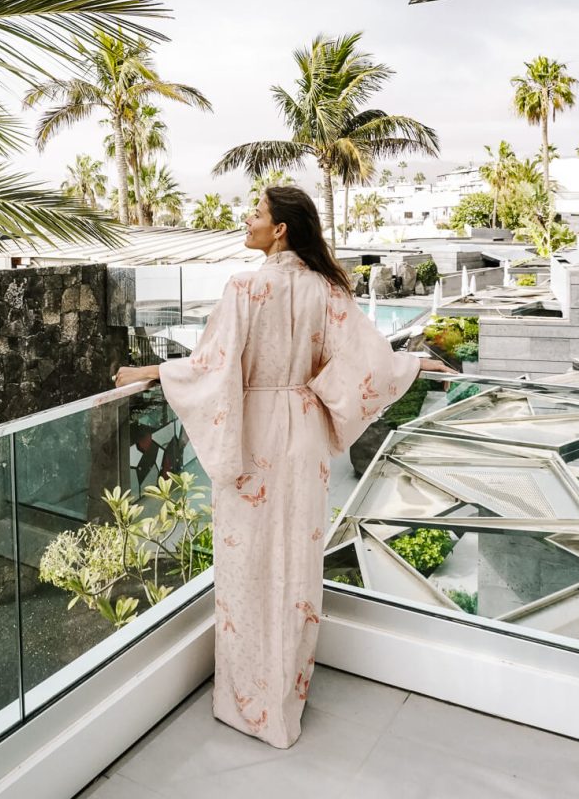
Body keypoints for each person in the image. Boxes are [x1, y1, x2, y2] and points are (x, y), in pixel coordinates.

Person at [114, 186, 448, 749]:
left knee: (245, 567)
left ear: (280, 229)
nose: (247, 220)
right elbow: (369, 361)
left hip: (253, 431)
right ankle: (284, 703)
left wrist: (151, 372)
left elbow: (212, 367)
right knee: (295, 565)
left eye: (257, 214)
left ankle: (247, 705)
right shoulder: (327, 288)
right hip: (304, 433)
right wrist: (415, 361)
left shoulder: (245, 286)